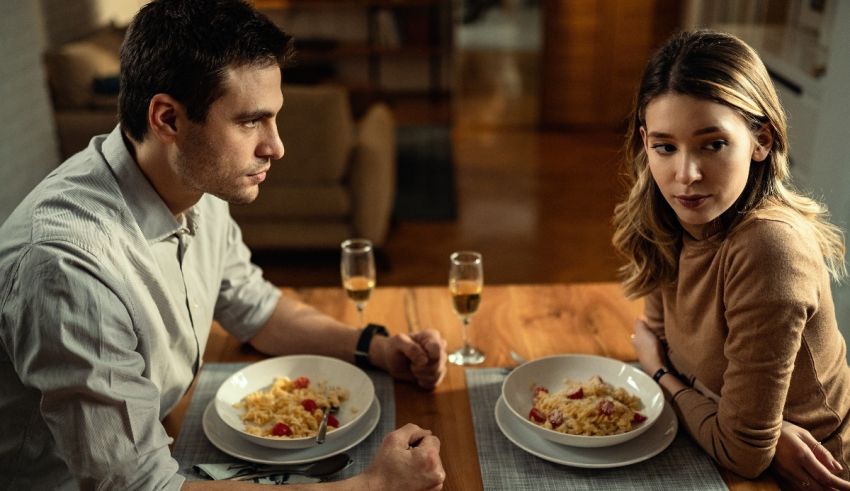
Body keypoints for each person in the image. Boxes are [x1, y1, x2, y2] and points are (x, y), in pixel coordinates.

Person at [0, 1, 447, 489]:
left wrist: (375, 347)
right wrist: (372, 486)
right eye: (250, 121)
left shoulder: (192, 182)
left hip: (157, 442)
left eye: (274, 118)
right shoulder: (69, 266)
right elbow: (140, 487)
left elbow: (256, 309)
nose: (275, 147)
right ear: (167, 119)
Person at [612, 29, 850, 490]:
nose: (686, 175)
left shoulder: (769, 248)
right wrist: (750, 423)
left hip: (812, 477)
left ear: (760, 140)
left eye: (712, 144)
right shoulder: (671, 218)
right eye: (666, 147)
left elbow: (742, 451)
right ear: (646, 144)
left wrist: (658, 372)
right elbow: (664, 341)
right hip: (728, 457)